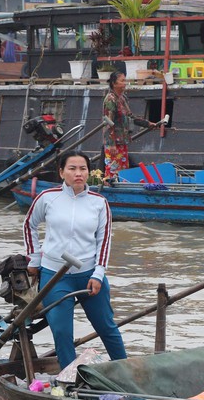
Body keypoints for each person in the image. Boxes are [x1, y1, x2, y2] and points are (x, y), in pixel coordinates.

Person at [23, 150, 127, 370]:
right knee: (61, 332)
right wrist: (34, 258)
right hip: (55, 277)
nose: (78, 173)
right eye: (72, 168)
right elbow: (29, 225)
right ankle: (69, 379)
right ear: (61, 172)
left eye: (83, 169)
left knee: (106, 327)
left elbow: (104, 240)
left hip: (89, 276)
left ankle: (126, 371)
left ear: (89, 173)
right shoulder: (47, 198)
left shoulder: (99, 203)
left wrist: (98, 273)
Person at [102, 71, 156, 180]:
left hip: (122, 140)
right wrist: (111, 143)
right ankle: (111, 186)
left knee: (123, 169)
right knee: (113, 168)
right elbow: (108, 122)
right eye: (122, 81)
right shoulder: (110, 99)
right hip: (113, 141)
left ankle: (121, 185)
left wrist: (147, 124)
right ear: (114, 83)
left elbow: (130, 116)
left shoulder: (122, 98)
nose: (125, 83)